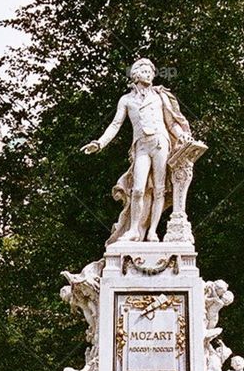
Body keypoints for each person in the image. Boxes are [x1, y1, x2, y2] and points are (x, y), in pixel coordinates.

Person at [82, 58, 194, 243]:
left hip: (160, 142)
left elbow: (172, 122)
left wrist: (181, 134)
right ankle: (134, 230)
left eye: (151, 71)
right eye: (144, 70)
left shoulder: (160, 96)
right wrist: (100, 143)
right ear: (135, 74)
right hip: (141, 146)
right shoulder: (126, 100)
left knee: (159, 189)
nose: (149, 73)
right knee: (138, 189)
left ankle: (152, 232)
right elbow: (115, 124)